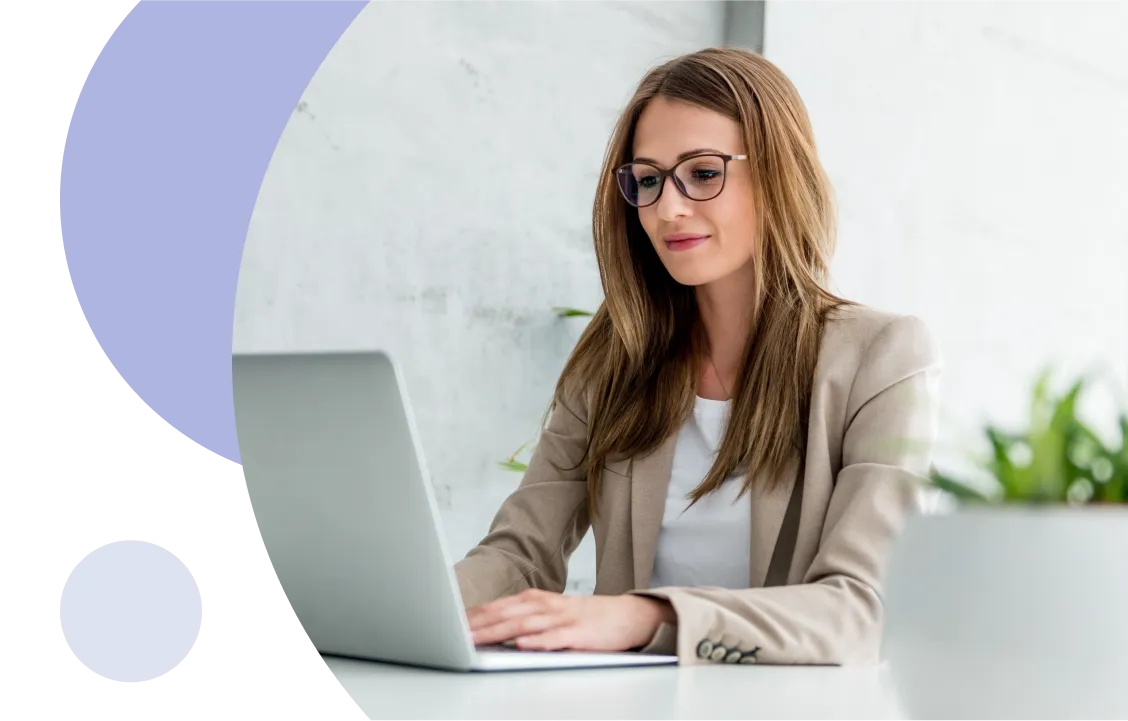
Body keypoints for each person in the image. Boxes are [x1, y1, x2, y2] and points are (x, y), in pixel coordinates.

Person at [453, 47, 942, 667]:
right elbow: (519, 554)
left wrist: (649, 615)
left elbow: (860, 610)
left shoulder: (882, 357)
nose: (667, 208)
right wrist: (413, 605)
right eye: (649, 179)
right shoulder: (616, 358)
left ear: (778, 173)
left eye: (704, 173)